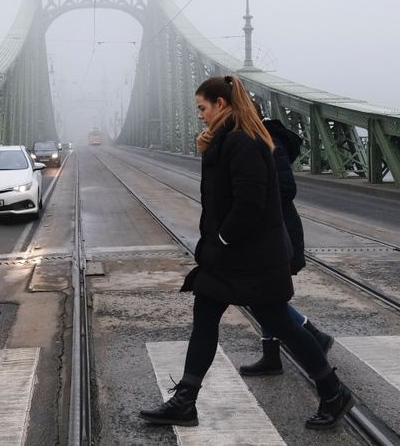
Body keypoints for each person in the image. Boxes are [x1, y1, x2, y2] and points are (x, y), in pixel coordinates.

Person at [139, 76, 353, 431]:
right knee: (206, 317)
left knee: (282, 323)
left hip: (251, 259)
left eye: (203, 108)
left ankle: (333, 391)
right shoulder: (228, 140)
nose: (200, 116)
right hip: (232, 259)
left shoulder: (242, 142)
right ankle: (186, 400)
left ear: (221, 104)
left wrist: (222, 239)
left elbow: (250, 201)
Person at [237, 117, 333, 376]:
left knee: (265, 297)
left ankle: (312, 337)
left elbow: (286, 187)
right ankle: (273, 356)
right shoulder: (254, 140)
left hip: (278, 234)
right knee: (267, 296)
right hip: (267, 233)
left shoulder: (269, 142)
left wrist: (254, 199)